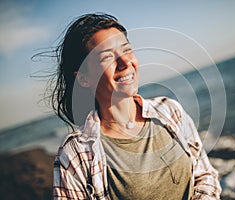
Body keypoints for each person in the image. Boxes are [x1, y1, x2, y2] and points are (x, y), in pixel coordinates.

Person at [50, 13, 221, 199]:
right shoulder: (75, 154)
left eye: (126, 50)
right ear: (84, 78)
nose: (125, 63)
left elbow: (205, 176)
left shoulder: (170, 111)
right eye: (107, 57)